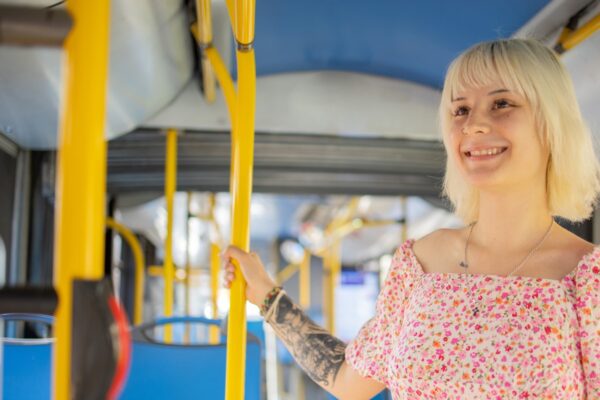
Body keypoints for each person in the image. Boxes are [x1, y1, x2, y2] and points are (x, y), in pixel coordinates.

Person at [222, 39, 600, 399]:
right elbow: (346, 380)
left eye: (502, 103)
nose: (473, 125)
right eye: (460, 110)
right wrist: (268, 296)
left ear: (551, 125)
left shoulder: (588, 279)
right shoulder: (420, 264)